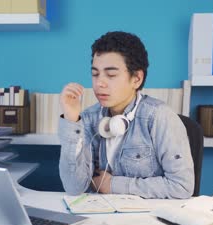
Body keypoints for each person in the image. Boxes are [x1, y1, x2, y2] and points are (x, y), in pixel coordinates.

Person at [58, 31, 194, 199]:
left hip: (147, 220)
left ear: (136, 78)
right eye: (95, 74)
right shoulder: (88, 118)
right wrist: (72, 120)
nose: (99, 83)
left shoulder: (160, 116)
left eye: (111, 75)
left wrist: (113, 185)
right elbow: (73, 187)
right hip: (99, 217)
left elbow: (182, 186)